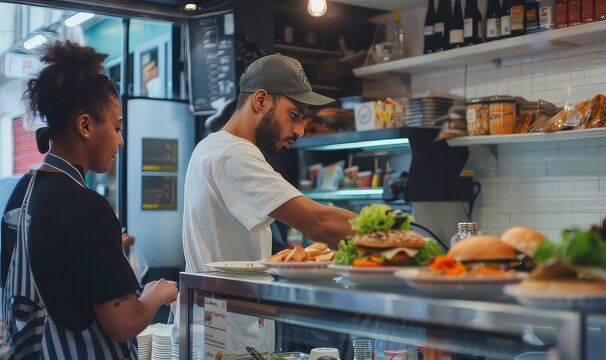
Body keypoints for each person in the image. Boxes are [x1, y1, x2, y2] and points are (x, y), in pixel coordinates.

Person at [0, 40, 178, 359]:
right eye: (117, 127)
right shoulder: (85, 205)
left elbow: (46, 267)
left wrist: (104, 248)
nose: (120, 140)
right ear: (85, 125)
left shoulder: (22, 192)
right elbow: (122, 322)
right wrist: (155, 294)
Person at [174, 53, 356, 355]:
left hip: (225, 328)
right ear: (260, 101)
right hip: (228, 338)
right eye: (294, 115)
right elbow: (318, 222)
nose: (299, 131)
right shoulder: (233, 154)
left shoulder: (211, 146)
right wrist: (390, 236)